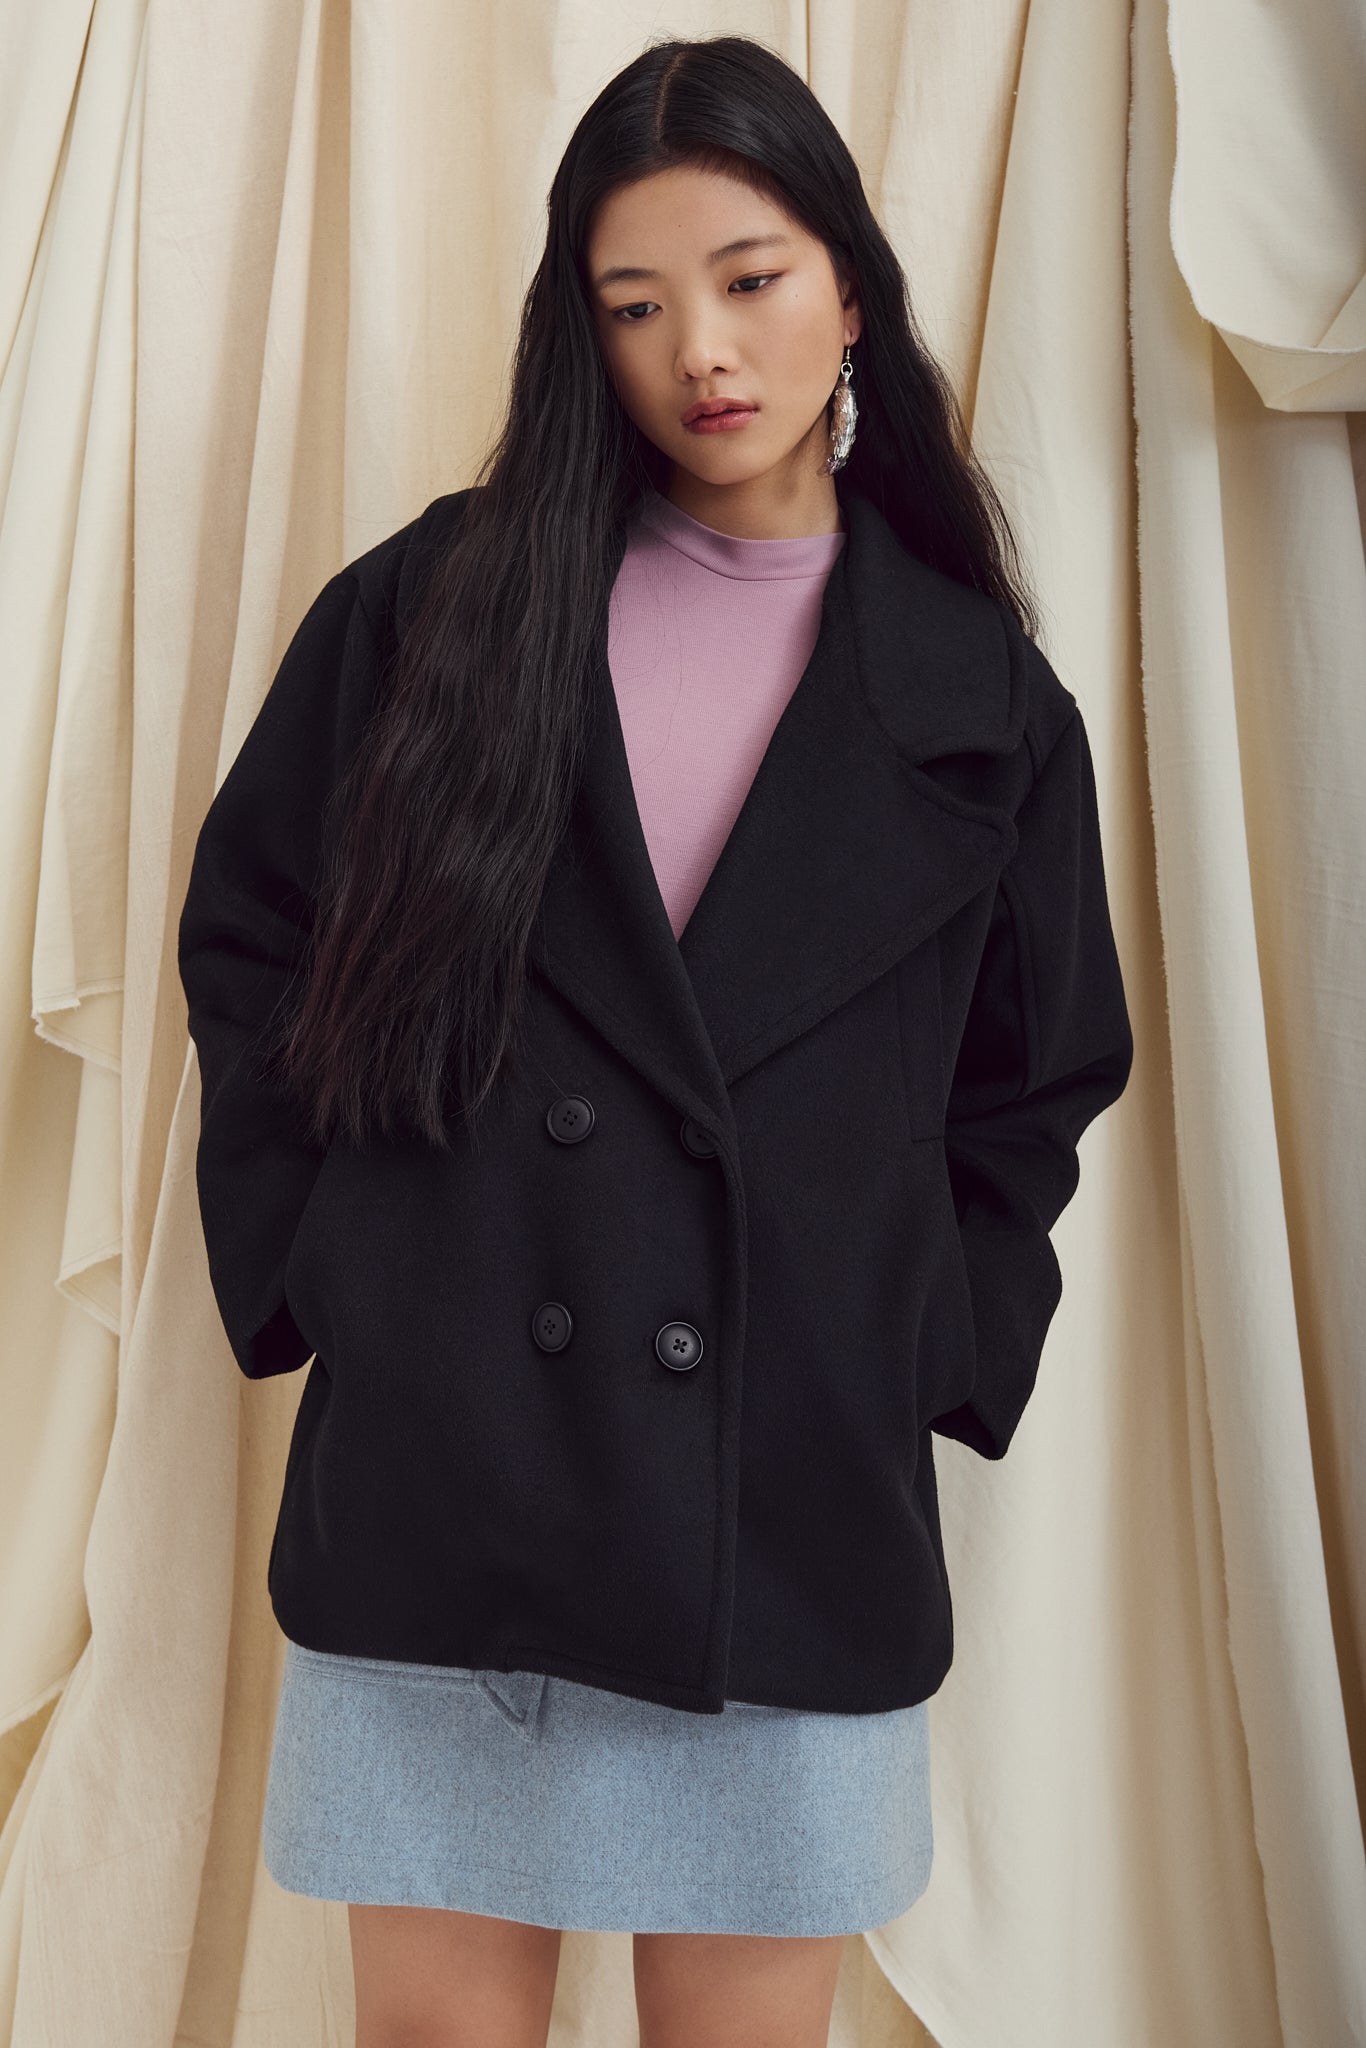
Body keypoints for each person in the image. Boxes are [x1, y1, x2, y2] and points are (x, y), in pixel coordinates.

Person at [177, 32, 1133, 2048]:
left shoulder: (978, 701)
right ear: (580, 332)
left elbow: (1035, 1080)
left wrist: (924, 1337)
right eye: (632, 304)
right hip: (453, 1483)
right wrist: (326, 1267)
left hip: (785, 1495)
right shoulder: (434, 614)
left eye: (748, 276)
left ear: (847, 286)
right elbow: (252, 936)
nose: (699, 347)